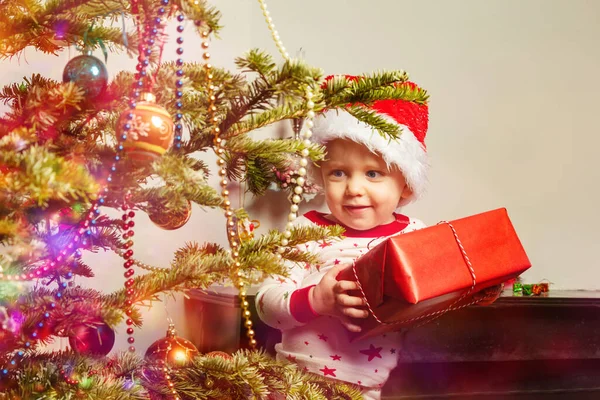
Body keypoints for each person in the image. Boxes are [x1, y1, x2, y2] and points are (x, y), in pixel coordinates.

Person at [256, 75, 431, 399]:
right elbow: (265, 305)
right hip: (293, 383)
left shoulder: (416, 237)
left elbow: (437, 300)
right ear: (321, 175)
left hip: (370, 389)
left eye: (373, 173)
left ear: (406, 183)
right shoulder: (305, 232)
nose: (353, 188)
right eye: (338, 173)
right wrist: (316, 300)